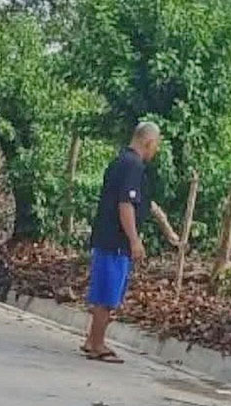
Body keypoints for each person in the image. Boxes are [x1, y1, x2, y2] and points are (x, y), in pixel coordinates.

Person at [82, 121, 161, 364]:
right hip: (116, 239)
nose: (155, 151)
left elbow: (142, 203)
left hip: (106, 236)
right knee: (108, 294)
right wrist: (134, 240)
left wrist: (166, 227)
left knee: (103, 291)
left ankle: (91, 339)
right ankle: (97, 344)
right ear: (148, 142)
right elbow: (125, 204)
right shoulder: (133, 166)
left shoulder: (119, 161)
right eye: (155, 146)